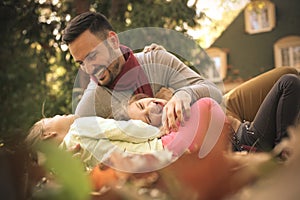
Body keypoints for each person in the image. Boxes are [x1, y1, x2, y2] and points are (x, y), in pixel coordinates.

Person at [62, 11, 223, 133]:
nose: (89, 69)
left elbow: (215, 93)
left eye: (92, 56)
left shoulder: (157, 60)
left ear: (113, 41)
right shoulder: (90, 106)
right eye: (82, 63)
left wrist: (185, 94)